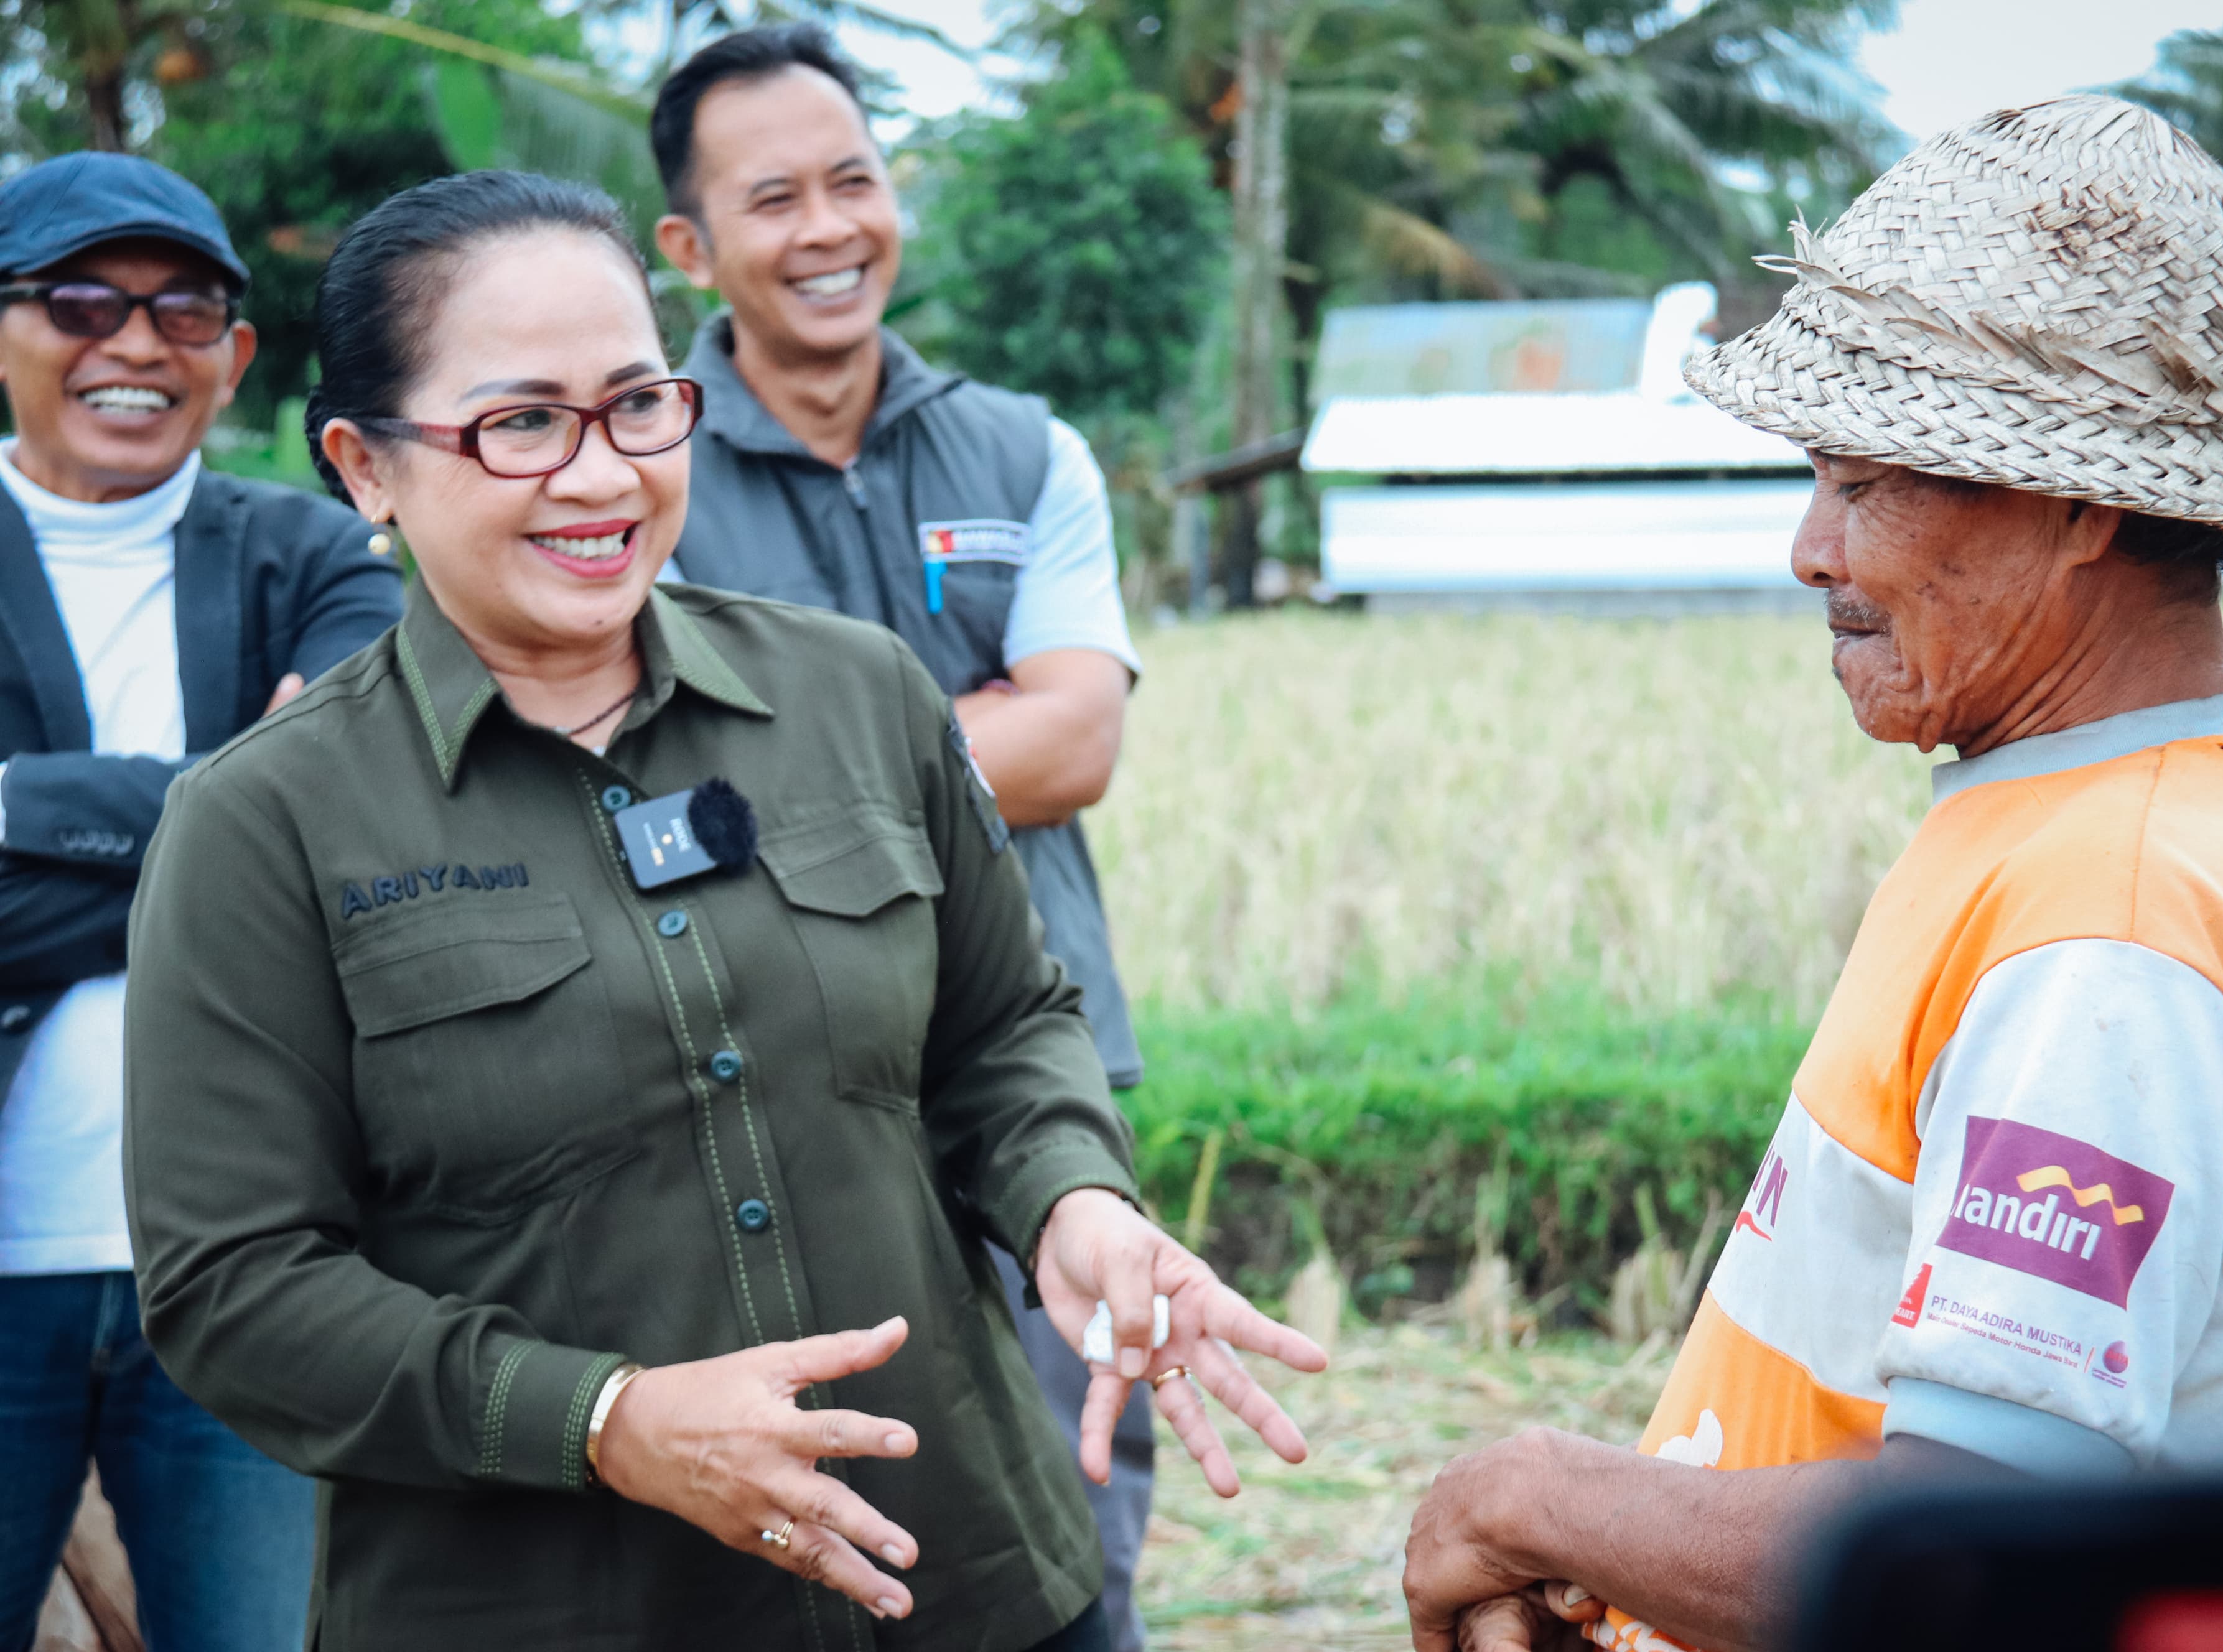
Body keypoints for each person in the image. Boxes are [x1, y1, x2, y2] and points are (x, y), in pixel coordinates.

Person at [119, 170, 1324, 1652]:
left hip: (968, 1581)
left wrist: (1071, 1201)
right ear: (367, 466)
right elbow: (233, 1287)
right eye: (522, 423)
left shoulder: (859, 693)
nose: (602, 476)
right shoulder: (261, 823)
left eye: (639, 404)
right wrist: (604, 1416)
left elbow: (1005, 1028)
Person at [1404, 96, 2223, 1652]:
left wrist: (1528, 1497)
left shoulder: (2109, 931)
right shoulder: (2132, 810)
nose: (1811, 547)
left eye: (1866, 484)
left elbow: (1965, 1560)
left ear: (2081, 504)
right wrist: (1642, 1566)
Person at [645, 28, 1160, 1651]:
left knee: (1078, 1515)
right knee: (811, 1540)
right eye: (772, 198)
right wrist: (970, 725)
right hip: (765, 1096)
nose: (827, 229)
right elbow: (641, 800)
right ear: (689, 246)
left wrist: (777, 771)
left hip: (1039, 1069)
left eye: (853, 181)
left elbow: (1078, 741)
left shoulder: (1024, 447)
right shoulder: (642, 473)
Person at [0, 151, 403, 1652]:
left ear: (233, 358)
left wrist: (14, 805)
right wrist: (234, 818)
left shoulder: (323, 552)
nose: (133, 342)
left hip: (252, 1264)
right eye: (80, 301)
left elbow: (346, 834)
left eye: (182, 311)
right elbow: (267, 844)